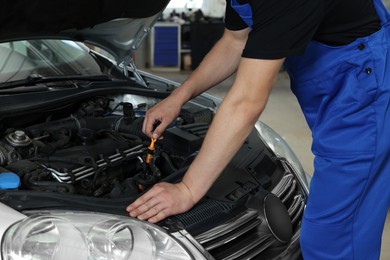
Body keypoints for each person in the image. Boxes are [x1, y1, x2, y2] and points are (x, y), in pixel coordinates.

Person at [127, 0, 390, 258]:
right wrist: (178, 97)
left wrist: (188, 190)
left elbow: (246, 102)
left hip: (364, 90)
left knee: (332, 238)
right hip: (337, 86)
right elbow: (235, 41)